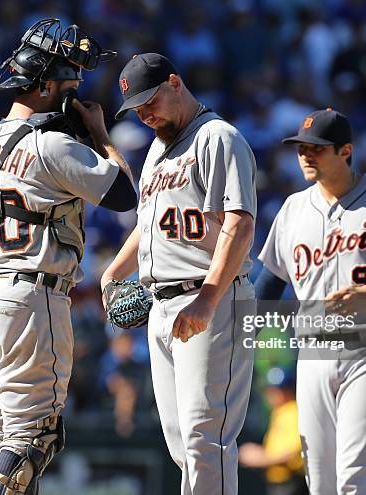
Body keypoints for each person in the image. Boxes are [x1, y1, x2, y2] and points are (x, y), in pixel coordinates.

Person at [0, 18, 136, 495]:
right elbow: (126, 193)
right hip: (32, 296)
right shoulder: (52, 145)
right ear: (46, 85)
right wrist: (101, 133)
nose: (76, 96)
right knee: (31, 440)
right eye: (70, 85)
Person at [255, 108, 366, 494]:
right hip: (313, 354)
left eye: (317, 148)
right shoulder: (292, 209)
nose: (305, 155)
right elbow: (267, 288)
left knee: (357, 481)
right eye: (301, 148)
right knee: (320, 482)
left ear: (346, 151)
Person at [101, 53, 257, 495]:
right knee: (181, 445)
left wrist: (208, 296)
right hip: (161, 304)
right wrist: (114, 270)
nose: (146, 114)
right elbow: (148, 224)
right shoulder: (154, 150)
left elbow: (240, 223)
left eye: (151, 101)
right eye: (137, 109)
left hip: (211, 296)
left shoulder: (218, 137)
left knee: (205, 438)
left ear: (175, 83)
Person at [239, 368, 308, 495]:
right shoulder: (279, 412)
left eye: (277, 390)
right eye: (269, 390)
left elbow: (293, 453)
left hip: (292, 482)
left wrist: (261, 457)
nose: (271, 394)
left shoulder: (293, 411)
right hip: (280, 482)